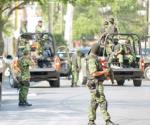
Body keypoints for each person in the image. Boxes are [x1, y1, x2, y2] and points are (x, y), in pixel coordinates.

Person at [87, 43, 118, 125]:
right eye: (99, 49)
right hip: (95, 84)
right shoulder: (92, 59)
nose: (101, 50)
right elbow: (93, 73)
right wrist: (104, 72)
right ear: (97, 49)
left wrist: (105, 75)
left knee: (94, 102)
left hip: (95, 83)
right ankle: (107, 120)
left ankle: (91, 121)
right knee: (102, 101)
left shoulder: (94, 58)